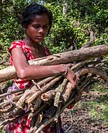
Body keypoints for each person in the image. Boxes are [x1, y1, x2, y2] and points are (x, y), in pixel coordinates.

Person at [6, 3, 79, 133]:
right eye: (36, 26)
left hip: (44, 106)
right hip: (25, 106)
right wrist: (62, 69)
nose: (41, 31)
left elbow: (53, 80)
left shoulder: (46, 51)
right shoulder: (18, 47)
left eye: (45, 27)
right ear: (25, 26)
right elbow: (23, 72)